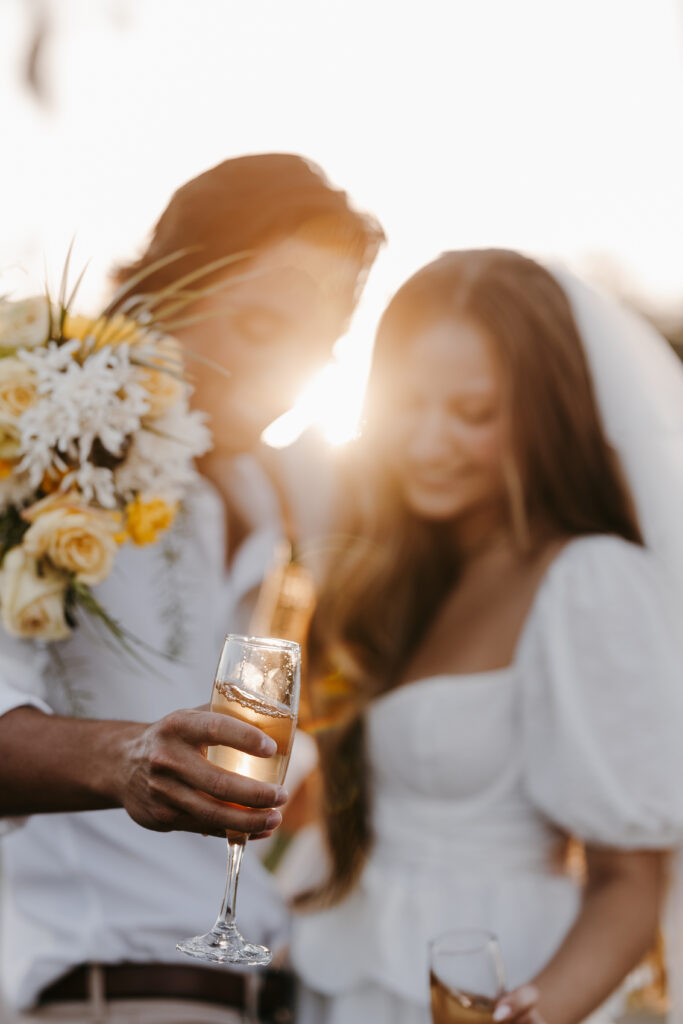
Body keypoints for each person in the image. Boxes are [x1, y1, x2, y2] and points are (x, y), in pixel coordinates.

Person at [0, 153, 384, 1022]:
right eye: (259, 328)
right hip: (105, 997)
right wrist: (125, 758)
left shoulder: (267, 503)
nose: (287, 380)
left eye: (316, 351)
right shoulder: (38, 450)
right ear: (161, 284)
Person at [290, 249, 683, 1024]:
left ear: (542, 417)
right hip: (356, 982)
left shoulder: (586, 579)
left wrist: (527, 1015)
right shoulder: (409, 580)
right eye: (410, 404)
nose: (427, 443)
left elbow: (629, 881)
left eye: (473, 414)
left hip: (491, 981)